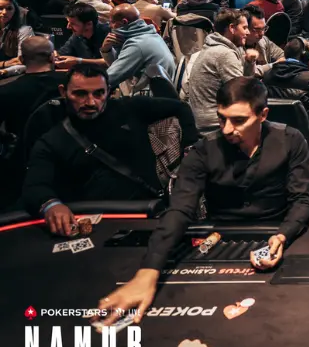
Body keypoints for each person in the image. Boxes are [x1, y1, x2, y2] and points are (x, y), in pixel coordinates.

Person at [96, 77, 309, 324]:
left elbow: (303, 199)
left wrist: (283, 235)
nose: (227, 129)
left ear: (263, 114)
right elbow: (179, 209)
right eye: (222, 118)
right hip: (220, 234)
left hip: (279, 229)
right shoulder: (203, 150)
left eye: (239, 120)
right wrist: (149, 270)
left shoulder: (290, 139)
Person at [22, 63, 199, 231]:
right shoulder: (53, 140)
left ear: (109, 92)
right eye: (80, 94)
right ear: (63, 92)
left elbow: (181, 108)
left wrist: (189, 149)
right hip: (98, 222)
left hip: (152, 212)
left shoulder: (129, 108)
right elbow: (34, 186)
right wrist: (51, 205)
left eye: (99, 93)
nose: (91, 102)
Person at [183, 8, 251, 133]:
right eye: (245, 27)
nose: (248, 32)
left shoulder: (212, 48)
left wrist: (250, 63)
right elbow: (240, 94)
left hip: (204, 121)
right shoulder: (224, 54)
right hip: (215, 126)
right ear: (232, 28)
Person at [0, 36, 65, 150]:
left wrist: (7, 139)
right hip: (69, 152)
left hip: (24, 155)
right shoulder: (71, 83)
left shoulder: (7, 91)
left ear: (21, 59)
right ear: (51, 57)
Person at [103, 4, 176, 88]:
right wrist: (106, 50)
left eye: (112, 22)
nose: (110, 26)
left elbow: (110, 78)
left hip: (151, 97)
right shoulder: (149, 35)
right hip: (161, 91)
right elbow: (116, 65)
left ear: (124, 22)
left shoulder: (137, 45)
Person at [56, 3, 111, 68]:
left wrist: (79, 61)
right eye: (68, 22)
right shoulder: (76, 36)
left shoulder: (109, 34)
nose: (68, 27)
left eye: (72, 24)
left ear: (88, 24)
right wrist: (55, 55)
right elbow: (62, 54)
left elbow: (112, 61)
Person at [243, 4, 285, 76]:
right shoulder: (236, 46)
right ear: (245, 28)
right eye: (257, 29)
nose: (262, 34)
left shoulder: (263, 40)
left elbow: (283, 56)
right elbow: (249, 73)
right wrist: (273, 65)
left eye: (264, 28)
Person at [0, 0, 33, 70]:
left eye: (9, 8)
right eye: (0, 8)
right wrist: (4, 64)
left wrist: (4, 71)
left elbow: (23, 62)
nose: (4, 12)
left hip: (9, 74)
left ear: (15, 11)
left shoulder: (24, 30)